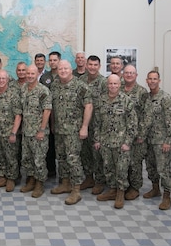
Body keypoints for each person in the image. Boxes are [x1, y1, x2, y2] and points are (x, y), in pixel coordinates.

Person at [49, 60, 92, 205]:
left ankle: (76, 190)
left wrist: (85, 126)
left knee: (73, 159)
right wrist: (53, 124)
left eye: (66, 68)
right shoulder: (54, 85)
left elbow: (88, 106)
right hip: (60, 129)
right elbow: (54, 107)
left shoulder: (81, 86)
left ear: (70, 69)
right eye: (60, 69)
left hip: (74, 130)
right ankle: (65, 183)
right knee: (61, 158)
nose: (63, 71)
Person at [93, 74, 137, 209]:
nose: (112, 86)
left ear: (120, 85)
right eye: (110, 84)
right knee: (108, 167)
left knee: (121, 169)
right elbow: (97, 122)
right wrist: (97, 139)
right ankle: (112, 190)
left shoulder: (126, 100)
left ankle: (120, 192)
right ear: (107, 85)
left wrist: (127, 142)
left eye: (115, 84)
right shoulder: (101, 100)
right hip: (105, 142)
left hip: (121, 143)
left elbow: (132, 123)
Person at [142, 70, 171, 210]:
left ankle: (167, 196)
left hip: (161, 140)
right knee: (151, 167)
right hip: (148, 140)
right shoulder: (146, 97)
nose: (152, 81)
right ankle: (155, 188)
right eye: (150, 79)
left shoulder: (165, 98)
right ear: (146, 80)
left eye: (155, 79)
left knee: (163, 169)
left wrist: (168, 140)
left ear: (159, 81)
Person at [19, 64, 52, 198]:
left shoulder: (43, 90)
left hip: (38, 132)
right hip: (26, 131)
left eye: (32, 74)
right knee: (27, 158)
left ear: (37, 74)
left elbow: (47, 110)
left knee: (39, 159)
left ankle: (39, 184)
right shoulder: (24, 89)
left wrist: (42, 129)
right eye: (28, 73)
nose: (30, 76)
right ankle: (31, 180)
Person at [0, 69, 22, 192]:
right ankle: (1, 177)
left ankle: (11, 178)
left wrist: (14, 132)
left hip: (9, 132)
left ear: (7, 79)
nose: (1, 80)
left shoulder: (13, 94)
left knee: (11, 156)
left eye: (3, 78)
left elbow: (18, 114)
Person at [79, 55, 108, 195]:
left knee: (98, 154)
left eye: (95, 65)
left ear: (99, 66)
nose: (92, 67)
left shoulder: (104, 82)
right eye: (90, 64)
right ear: (86, 65)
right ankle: (89, 178)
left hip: (98, 124)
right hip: (84, 123)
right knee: (85, 153)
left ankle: (99, 181)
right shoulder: (81, 80)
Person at [121, 65, 149, 201]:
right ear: (122, 74)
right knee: (121, 161)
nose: (129, 75)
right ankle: (122, 186)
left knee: (135, 162)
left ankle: (135, 187)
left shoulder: (142, 92)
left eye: (132, 73)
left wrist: (141, 134)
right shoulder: (118, 89)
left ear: (136, 75)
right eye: (126, 73)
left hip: (136, 134)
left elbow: (146, 115)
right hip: (120, 133)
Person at [40, 51, 60, 178]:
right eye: (50, 60)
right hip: (48, 114)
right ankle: (51, 170)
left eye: (55, 60)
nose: (52, 62)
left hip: (61, 114)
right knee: (50, 144)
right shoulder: (44, 77)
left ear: (59, 60)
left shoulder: (63, 74)